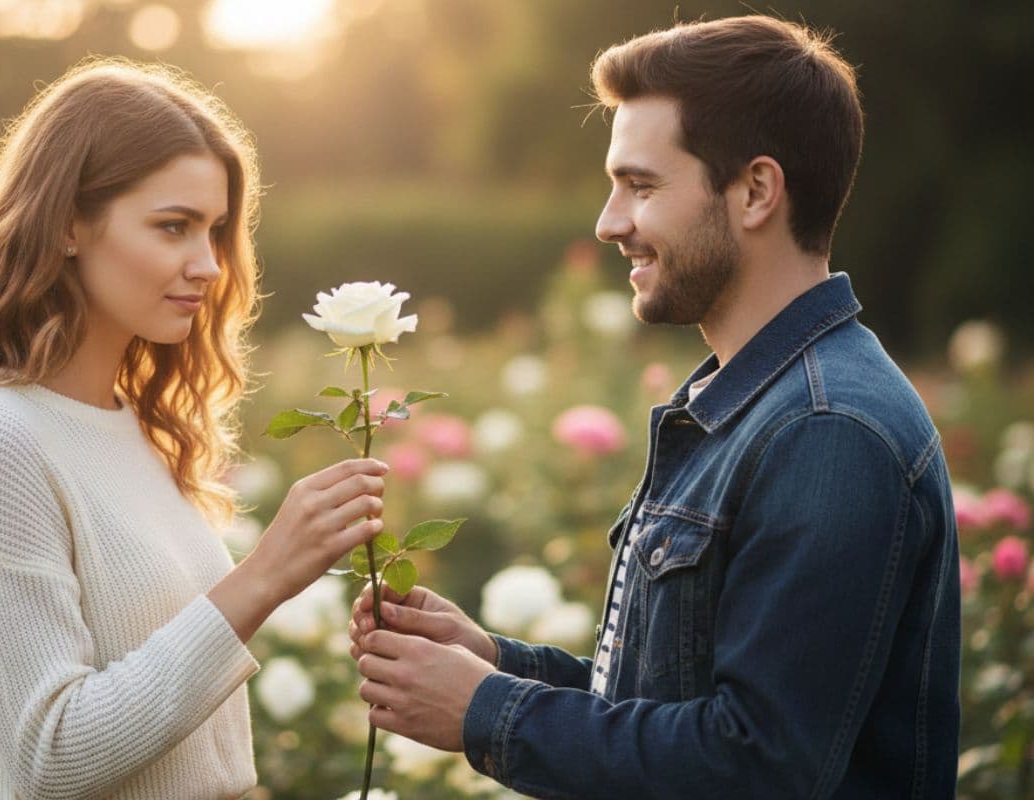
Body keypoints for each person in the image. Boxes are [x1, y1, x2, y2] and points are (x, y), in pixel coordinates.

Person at [350, 15, 960, 799]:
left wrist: (487, 710)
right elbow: (670, 703)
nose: (609, 223)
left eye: (641, 186)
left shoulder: (827, 428)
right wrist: (496, 664)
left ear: (755, 191)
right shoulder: (745, 401)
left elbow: (756, 765)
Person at [0, 58, 389, 799]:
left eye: (214, 230)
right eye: (173, 227)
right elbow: (54, 753)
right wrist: (267, 574)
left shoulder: (135, 427)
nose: (209, 265)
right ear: (67, 226)